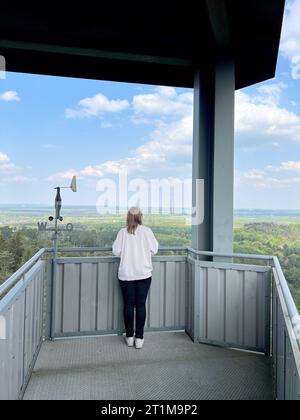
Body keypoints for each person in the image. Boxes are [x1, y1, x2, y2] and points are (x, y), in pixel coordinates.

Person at [112, 207, 159, 349]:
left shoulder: (122, 232)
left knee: (128, 305)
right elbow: (154, 250)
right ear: (140, 216)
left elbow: (116, 251)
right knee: (140, 305)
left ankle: (129, 337)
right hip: (144, 274)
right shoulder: (147, 231)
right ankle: (139, 339)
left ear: (128, 217)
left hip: (126, 274)